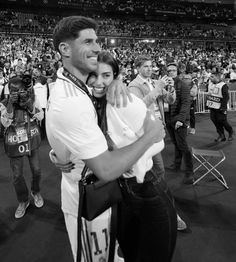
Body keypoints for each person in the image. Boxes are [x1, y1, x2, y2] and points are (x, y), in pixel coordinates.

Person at [46, 16, 169, 262]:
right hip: (90, 196)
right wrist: (150, 136)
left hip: (119, 191)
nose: (97, 47)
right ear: (65, 49)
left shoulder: (80, 87)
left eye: (97, 41)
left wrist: (118, 82)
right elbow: (105, 168)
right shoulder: (71, 99)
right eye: (88, 41)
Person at [128, 55, 186, 231]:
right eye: (145, 66)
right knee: (151, 171)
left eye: (150, 66)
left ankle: (155, 206)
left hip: (156, 131)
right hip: (144, 135)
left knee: (154, 171)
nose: (149, 69)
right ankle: (163, 209)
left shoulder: (154, 82)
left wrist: (170, 90)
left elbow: (169, 101)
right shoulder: (133, 86)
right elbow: (138, 107)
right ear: (137, 68)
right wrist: (157, 89)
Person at [0, 75, 44, 219]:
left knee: (36, 170)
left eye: (20, 90)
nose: (17, 93)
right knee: (17, 175)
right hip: (14, 141)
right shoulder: (3, 103)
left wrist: (27, 103)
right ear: (9, 90)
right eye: (14, 91)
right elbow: (5, 122)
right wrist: (11, 104)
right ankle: (23, 200)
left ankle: (35, 191)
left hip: (31, 137)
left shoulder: (31, 99)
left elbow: (41, 116)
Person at [165, 62, 194, 185]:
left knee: (183, 145)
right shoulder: (166, 85)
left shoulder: (183, 85)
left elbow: (186, 104)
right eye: (168, 70)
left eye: (172, 70)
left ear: (177, 71)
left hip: (178, 120)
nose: (170, 72)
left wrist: (181, 120)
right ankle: (176, 165)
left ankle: (190, 172)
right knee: (176, 144)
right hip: (169, 119)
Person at [206, 68, 234, 142]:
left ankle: (230, 132)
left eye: (212, 77)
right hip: (212, 107)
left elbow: (226, 97)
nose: (210, 78)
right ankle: (221, 135)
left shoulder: (223, 85)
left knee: (222, 121)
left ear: (217, 78)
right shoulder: (210, 84)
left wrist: (223, 108)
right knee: (215, 121)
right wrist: (207, 104)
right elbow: (209, 94)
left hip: (221, 108)